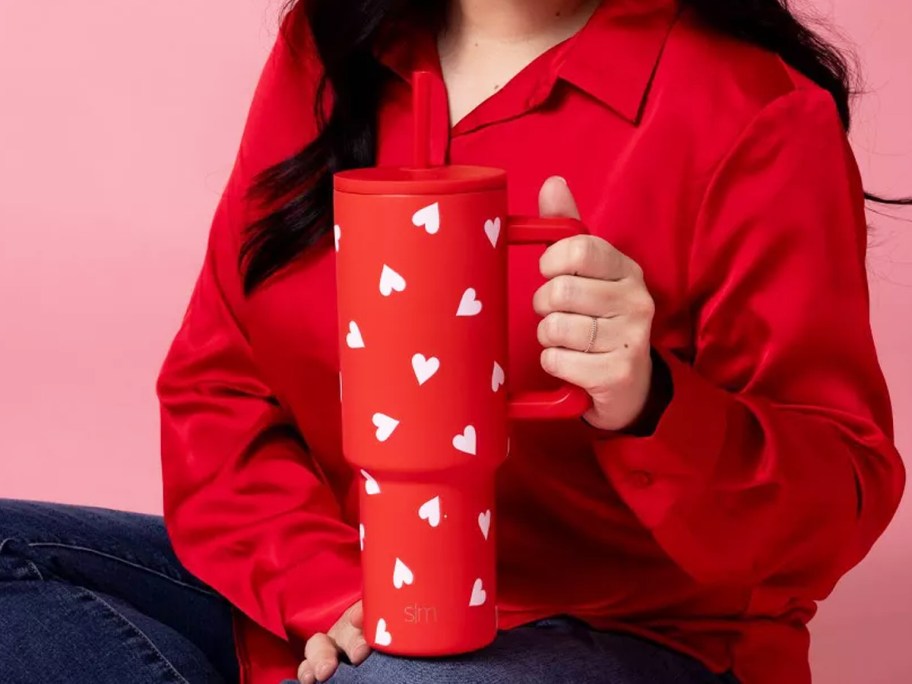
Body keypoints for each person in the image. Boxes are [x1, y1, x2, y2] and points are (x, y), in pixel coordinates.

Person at [1, 0, 906, 682]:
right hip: (339, 598)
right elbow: (218, 388)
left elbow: (843, 488)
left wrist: (651, 402)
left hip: (633, 638)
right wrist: (334, 593)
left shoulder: (753, 109)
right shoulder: (331, 49)